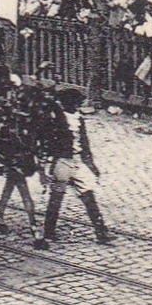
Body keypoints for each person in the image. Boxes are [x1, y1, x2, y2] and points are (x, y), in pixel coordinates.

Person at [42, 87, 113, 246]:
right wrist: (50, 162)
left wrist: (91, 164)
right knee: (56, 197)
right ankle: (49, 231)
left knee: (88, 195)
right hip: (62, 161)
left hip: (77, 161)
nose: (77, 106)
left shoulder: (79, 119)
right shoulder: (56, 118)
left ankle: (101, 232)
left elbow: (84, 142)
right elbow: (49, 141)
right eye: (75, 103)